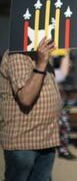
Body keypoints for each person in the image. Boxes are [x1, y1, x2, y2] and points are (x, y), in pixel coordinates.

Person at [0, 38, 61, 181]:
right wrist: (41, 63)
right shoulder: (17, 54)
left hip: (46, 139)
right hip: (23, 142)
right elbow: (26, 98)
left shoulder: (39, 54)